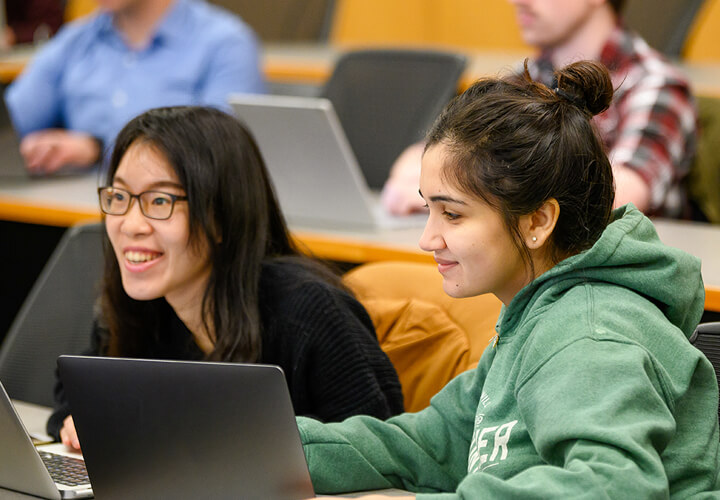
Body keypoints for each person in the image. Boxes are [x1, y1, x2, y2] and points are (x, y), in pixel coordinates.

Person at [297, 61, 720, 498]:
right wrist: (288, 450)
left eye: (453, 214)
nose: (427, 238)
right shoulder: (532, 317)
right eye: (429, 209)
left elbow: (614, 486)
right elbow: (434, 443)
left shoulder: (590, 335)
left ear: (537, 220)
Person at [49, 106, 404, 450]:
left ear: (222, 215)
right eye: (120, 196)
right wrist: (79, 418)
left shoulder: (310, 312)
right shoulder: (139, 305)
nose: (130, 224)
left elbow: (381, 452)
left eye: (159, 201)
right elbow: (77, 387)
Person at [382, 0, 698, 219]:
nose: (516, 2)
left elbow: (613, 197)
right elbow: (419, 161)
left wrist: (458, 193)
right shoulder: (523, 80)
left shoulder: (657, 85)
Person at [4, 0, 266, 175]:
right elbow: (12, 119)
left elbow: (221, 156)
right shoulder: (76, 39)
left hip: (174, 228)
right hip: (74, 214)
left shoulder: (225, 43)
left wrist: (98, 148)